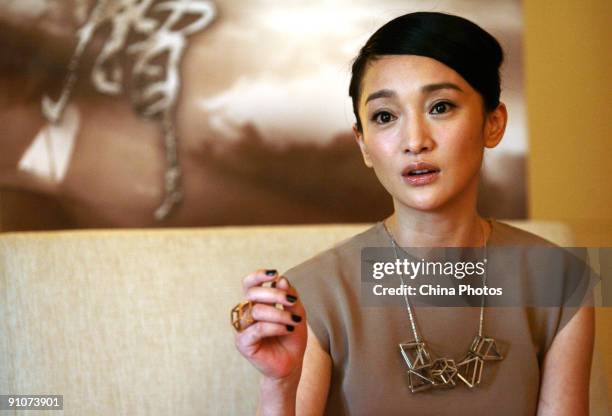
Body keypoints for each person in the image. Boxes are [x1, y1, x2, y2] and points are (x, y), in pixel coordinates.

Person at [231, 12, 594, 416]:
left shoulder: (561, 282)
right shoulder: (311, 296)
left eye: (440, 107)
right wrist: (279, 385)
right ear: (364, 144)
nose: (415, 141)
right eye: (385, 117)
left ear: (493, 123)